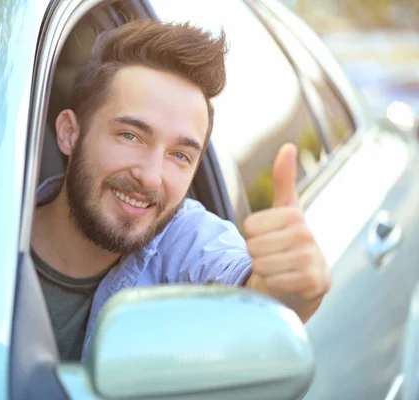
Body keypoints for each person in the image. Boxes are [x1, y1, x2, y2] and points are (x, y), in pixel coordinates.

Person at [30, 19, 331, 362]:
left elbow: (247, 292)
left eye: (179, 155)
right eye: (130, 135)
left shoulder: (186, 238)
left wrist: (285, 296)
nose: (151, 178)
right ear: (69, 133)